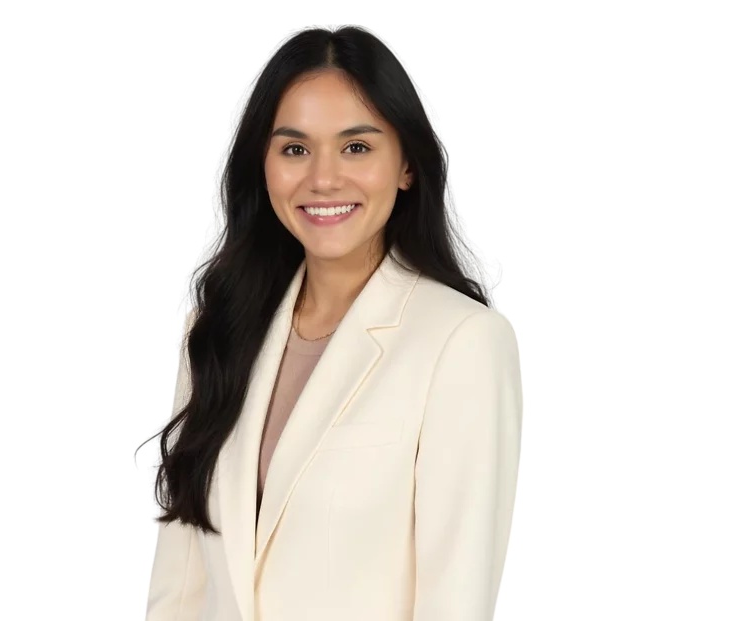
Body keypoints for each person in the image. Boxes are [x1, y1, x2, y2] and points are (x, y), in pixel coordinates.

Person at [146, 24, 523, 621]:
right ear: (262, 165)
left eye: (357, 147)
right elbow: (180, 585)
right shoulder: (215, 327)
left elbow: (458, 598)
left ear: (406, 167)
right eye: (295, 148)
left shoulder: (461, 342)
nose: (322, 179)